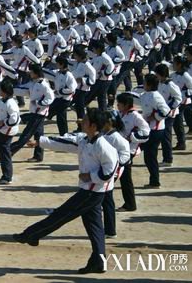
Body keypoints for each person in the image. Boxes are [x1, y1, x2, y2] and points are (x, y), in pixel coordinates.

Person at [13, 108, 119, 274]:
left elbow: (109, 172)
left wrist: (89, 176)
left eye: (84, 120)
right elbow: (64, 142)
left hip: (92, 192)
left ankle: (32, 235)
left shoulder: (104, 146)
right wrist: (40, 141)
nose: (81, 122)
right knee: (95, 227)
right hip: (88, 190)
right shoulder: (84, 140)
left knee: (61, 214)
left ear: (92, 125)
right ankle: (99, 260)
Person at [11, 63, 54, 162]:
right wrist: (10, 90)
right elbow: (22, 89)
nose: (29, 73)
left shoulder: (43, 84)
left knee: (26, 135)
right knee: (39, 136)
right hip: (35, 113)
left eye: (31, 71)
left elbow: (50, 97)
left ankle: (10, 151)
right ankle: (38, 156)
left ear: (36, 73)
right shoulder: (33, 83)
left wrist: (39, 103)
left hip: (39, 114)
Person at [115, 93, 150, 212]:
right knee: (124, 177)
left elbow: (146, 132)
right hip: (120, 148)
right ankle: (130, 204)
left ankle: (130, 204)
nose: (117, 105)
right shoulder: (121, 114)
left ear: (125, 105)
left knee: (124, 177)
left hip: (129, 150)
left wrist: (131, 137)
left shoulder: (135, 116)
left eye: (119, 103)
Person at [101, 110, 130, 239]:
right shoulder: (104, 134)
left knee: (106, 201)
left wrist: (114, 167)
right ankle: (109, 229)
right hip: (103, 171)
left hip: (110, 173)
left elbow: (125, 156)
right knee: (104, 200)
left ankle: (110, 230)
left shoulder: (117, 138)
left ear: (109, 122)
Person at [140, 74, 170, 188]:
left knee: (150, 157)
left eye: (145, 82)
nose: (143, 84)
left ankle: (155, 181)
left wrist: (154, 117)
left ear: (149, 84)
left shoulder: (156, 96)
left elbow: (165, 111)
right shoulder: (148, 94)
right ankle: (154, 180)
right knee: (149, 157)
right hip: (150, 129)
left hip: (156, 130)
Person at [0, 80, 20, 184]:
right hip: (1, 129)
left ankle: (7, 177)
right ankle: (6, 176)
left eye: (0, 89)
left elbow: (14, 120)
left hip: (6, 132)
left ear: (5, 91)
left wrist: (3, 122)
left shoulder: (11, 104)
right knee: (3, 153)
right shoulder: (3, 100)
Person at [155, 64, 182, 166]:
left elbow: (178, 98)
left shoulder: (171, 85)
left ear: (161, 74)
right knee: (162, 135)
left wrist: (169, 108)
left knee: (166, 136)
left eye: (157, 74)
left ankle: (168, 159)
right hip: (161, 113)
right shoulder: (159, 83)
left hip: (170, 114)